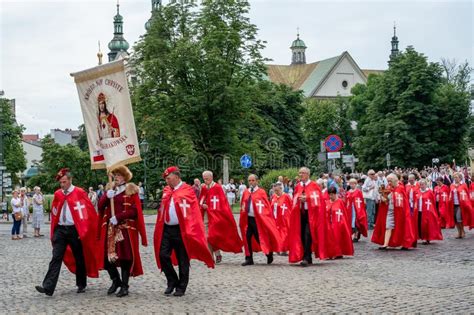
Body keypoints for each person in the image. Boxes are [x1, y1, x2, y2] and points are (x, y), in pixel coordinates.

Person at [36, 168, 100, 296]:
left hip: (74, 229)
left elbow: (87, 211)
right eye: (61, 183)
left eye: (64, 182)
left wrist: (83, 229)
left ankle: (81, 284)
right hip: (60, 229)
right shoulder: (58, 194)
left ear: (70, 180)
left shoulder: (79, 192)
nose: (62, 185)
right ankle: (48, 287)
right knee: (56, 257)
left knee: (79, 257)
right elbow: (55, 210)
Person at [153, 166, 214, 297]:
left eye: (168, 178)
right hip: (167, 228)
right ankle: (172, 280)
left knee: (182, 259)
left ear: (176, 176)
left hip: (182, 230)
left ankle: (181, 286)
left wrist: (193, 229)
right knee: (163, 255)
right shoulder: (167, 190)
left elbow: (193, 212)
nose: (167, 181)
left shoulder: (187, 190)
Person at [98, 165, 147, 297]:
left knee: (125, 257)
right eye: (115, 176)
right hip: (110, 230)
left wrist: (118, 217)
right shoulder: (110, 190)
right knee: (107, 258)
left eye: (119, 175)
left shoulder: (131, 190)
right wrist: (106, 196)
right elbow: (100, 207)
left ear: (125, 177)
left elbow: (135, 211)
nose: (116, 178)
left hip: (124, 229)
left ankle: (125, 286)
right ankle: (116, 280)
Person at [199, 170, 242, 264]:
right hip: (206, 215)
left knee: (214, 235)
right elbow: (201, 199)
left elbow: (221, 203)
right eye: (204, 179)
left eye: (206, 179)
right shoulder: (204, 187)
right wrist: (202, 205)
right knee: (207, 236)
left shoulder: (217, 188)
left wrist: (209, 207)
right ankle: (210, 257)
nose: (205, 180)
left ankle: (217, 252)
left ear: (211, 178)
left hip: (216, 216)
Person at [239, 174, 281, 266]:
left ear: (257, 181)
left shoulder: (261, 192)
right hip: (248, 219)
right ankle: (249, 258)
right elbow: (243, 204)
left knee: (259, 238)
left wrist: (265, 217)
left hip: (258, 220)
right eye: (249, 180)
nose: (251, 182)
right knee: (247, 237)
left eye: (253, 180)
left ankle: (268, 253)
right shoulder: (246, 192)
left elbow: (266, 206)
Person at [288, 167, 325, 266]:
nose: (301, 175)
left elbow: (318, 199)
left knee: (308, 235)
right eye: (299, 173)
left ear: (308, 174)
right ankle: (307, 256)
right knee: (301, 235)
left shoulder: (314, 185)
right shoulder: (298, 186)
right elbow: (295, 198)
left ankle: (306, 257)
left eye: (303, 173)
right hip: (300, 214)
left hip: (311, 214)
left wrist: (307, 198)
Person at [372, 173, 415, 250]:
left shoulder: (401, 188)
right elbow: (385, 198)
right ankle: (385, 244)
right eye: (388, 181)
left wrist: (392, 195)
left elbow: (403, 201)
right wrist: (383, 198)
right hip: (390, 211)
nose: (389, 183)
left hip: (399, 212)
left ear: (395, 180)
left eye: (390, 181)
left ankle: (404, 244)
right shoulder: (388, 188)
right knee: (388, 226)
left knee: (401, 227)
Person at [321, 187, 354, 259]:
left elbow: (343, 214)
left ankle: (337, 253)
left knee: (337, 238)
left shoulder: (340, 202)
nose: (331, 196)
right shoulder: (327, 202)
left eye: (332, 194)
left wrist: (343, 223)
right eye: (329, 195)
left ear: (335, 194)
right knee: (329, 239)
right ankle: (330, 253)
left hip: (338, 223)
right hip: (328, 224)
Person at [416, 179, 443, 245]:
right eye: (420, 184)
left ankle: (426, 238)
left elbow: (433, 202)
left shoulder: (429, 192)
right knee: (420, 225)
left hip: (427, 211)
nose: (422, 186)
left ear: (426, 184)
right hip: (419, 211)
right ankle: (422, 237)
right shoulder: (418, 191)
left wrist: (432, 211)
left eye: (423, 184)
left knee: (426, 225)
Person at [448, 172, 474, 239]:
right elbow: (450, 194)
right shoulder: (452, 185)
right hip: (453, 204)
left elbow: (467, 194)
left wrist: (468, 203)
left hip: (461, 204)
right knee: (455, 219)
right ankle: (459, 232)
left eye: (457, 177)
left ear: (460, 178)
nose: (455, 179)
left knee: (458, 217)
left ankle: (462, 231)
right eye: (454, 177)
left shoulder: (464, 185)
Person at [270, 182, 292, 255]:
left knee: (284, 233)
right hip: (275, 219)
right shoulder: (273, 197)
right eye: (275, 191)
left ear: (281, 189)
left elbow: (291, 206)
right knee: (276, 233)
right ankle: (277, 248)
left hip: (284, 218)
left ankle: (284, 249)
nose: (276, 192)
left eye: (277, 190)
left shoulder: (286, 196)